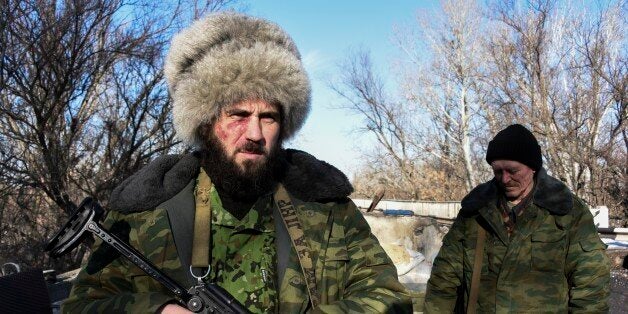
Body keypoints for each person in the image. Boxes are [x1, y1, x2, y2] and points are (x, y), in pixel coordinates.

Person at [62, 12, 412, 314]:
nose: (255, 133)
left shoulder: (326, 207)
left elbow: (388, 298)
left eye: (269, 117)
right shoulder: (149, 210)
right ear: (205, 120)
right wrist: (157, 309)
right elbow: (82, 305)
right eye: (239, 114)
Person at [424, 124, 610, 313]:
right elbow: (444, 279)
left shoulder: (566, 212)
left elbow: (591, 285)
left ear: (533, 167)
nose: (505, 179)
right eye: (498, 171)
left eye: (513, 171)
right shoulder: (475, 211)